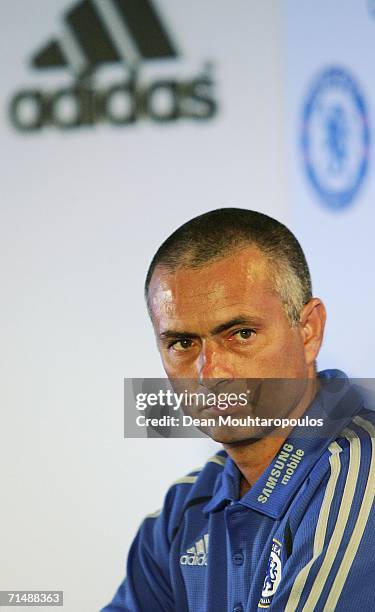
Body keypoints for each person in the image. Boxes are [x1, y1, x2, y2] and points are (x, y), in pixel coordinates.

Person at [103, 208, 375, 611]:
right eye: (182, 343)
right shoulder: (186, 506)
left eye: (240, 334)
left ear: (308, 330)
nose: (210, 372)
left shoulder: (362, 475)